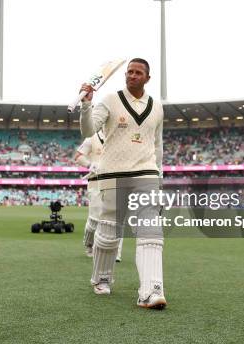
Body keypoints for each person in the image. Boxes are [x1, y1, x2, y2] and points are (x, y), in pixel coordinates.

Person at [79, 58, 165, 309]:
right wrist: (86, 105)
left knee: (151, 230)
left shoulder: (157, 107)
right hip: (113, 173)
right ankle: (102, 279)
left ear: (147, 78)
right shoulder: (109, 100)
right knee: (108, 230)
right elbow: (88, 130)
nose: (132, 75)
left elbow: (157, 144)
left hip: (146, 172)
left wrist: (159, 175)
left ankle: (151, 290)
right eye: (129, 72)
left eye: (138, 72)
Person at [74, 131, 124, 262]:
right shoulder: (91, 138)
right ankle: (89, 244)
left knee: (117, 218)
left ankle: (116, 252)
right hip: (95, 181)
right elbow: (78, 156)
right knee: (94, 219)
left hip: (115, 181)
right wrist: (89, 165)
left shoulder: (119, 137)